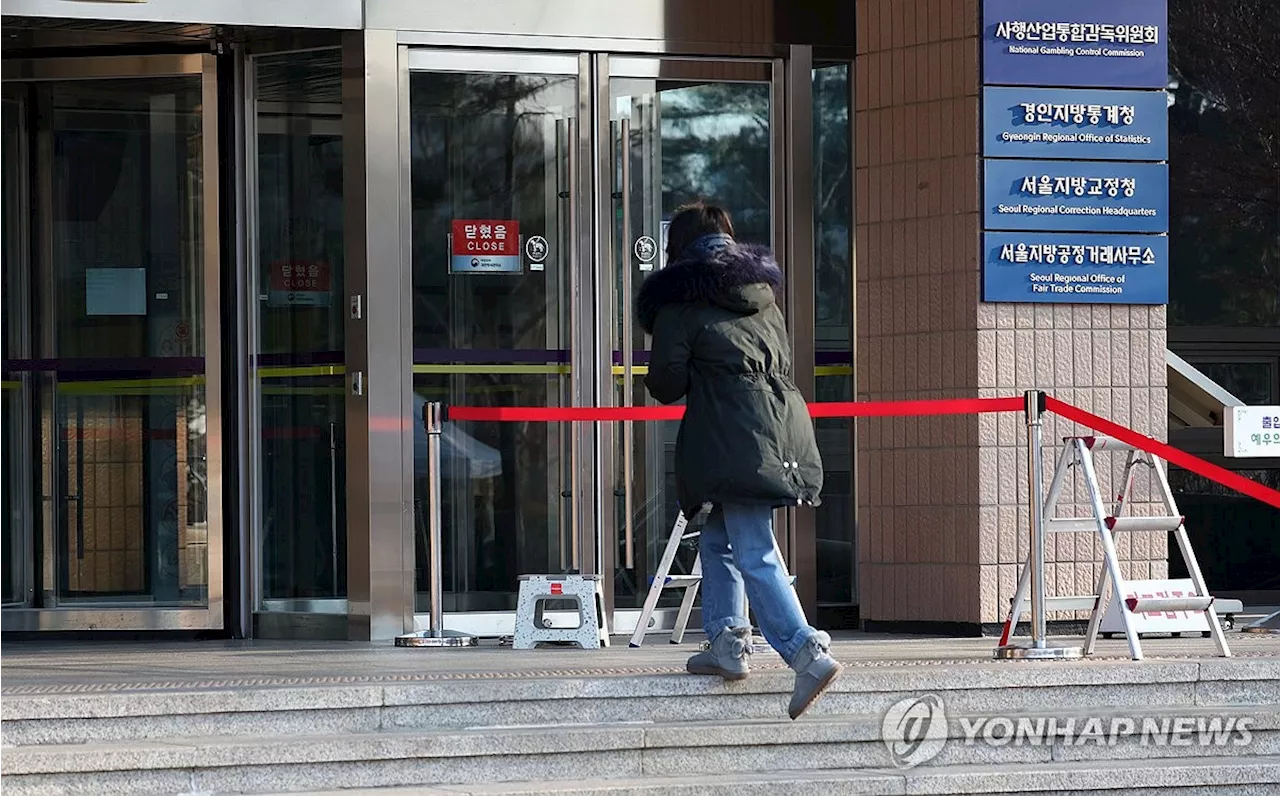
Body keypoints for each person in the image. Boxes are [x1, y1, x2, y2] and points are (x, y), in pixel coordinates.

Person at [636, 202, 842, 720]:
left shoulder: (681, 303)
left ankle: (805, 651)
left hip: (733, 432)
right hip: (780, 423)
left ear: (676, 251)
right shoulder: (763, 298)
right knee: (720, 536)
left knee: (754, 547)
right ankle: (727, 642)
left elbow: (665, 383)